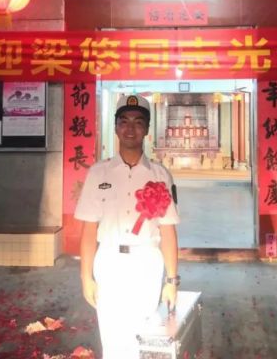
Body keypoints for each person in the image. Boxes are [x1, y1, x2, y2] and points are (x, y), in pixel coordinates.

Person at [75, 94, 180, 359]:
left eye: (138, 122)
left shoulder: (160, 175)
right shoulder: (98, 173)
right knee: (112, 341)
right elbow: (89, 230)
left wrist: (171, 280)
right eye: (124, 121)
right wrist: (86, 277)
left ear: (146, 129)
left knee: (143, 337)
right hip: (109, 262)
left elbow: (168, 231)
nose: (130, 128)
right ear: (115, 127)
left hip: (147, 262)